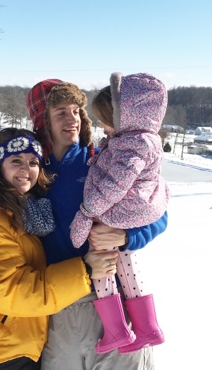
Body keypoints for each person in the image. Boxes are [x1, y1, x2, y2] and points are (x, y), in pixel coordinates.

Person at [0, 80, 168, 370]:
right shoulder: (31, 170)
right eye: (60, 112)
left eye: (76, 111)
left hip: (111, 296)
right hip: (55, 304)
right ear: (43, 121)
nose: (71, 119)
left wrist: (127, 235)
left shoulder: (105, 161)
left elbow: (157, 210)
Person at [0, 127, 117, 370]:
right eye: (16, 161)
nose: (25, 170)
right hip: (1, 350)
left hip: (21, 339)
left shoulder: (22, 205)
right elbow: (11, 290)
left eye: (33, 162)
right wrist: (85, 270)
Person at [70, 72, 169, 354]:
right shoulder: (137, 140)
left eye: (105, 120)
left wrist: (88, 211)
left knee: (103, 262)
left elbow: (117, 182)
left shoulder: (132, 145)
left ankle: (116, 331)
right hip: (127, 210)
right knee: (126, 263)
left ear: (124, 117)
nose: (102, 126)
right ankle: (146, 327)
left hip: (116, 211)